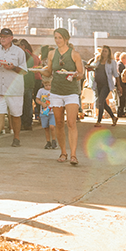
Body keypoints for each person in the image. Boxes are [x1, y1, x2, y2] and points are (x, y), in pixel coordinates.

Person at [43, 28, 85, 166]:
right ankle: (63, 152)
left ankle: (73, 154)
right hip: (56, 91)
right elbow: (49, 72)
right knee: (59, 123)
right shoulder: (51, 54)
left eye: (60, 37)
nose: (57, 40)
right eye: (55, 37)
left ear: (66, 38)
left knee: (71, 123)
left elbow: (81, 74)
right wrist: (41, 71)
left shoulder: (74, 54)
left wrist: (74, 74)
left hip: (71, 91)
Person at [0, 28, 27, 147]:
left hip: (14, 89)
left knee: (15, 114)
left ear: (11, 38)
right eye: (1, 36)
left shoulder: (19, 52)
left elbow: (24, 71)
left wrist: (13, 67)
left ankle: (16, 138)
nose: (2, 39)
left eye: (5, 37)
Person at [93, 45, 120, 127]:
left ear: (109, 53)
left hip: (106, 84)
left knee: (100, 101)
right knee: (103, 102)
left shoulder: (112, 62)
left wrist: (119, 85)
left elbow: (116, 74)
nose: (104, 53)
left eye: (105, 51)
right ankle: (113, 117)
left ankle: (99, 121)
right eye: (103, 51)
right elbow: (96, 70)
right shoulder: (98, 60)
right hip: (98, 84)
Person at [36, 79, 56, 149]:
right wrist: (41, 103)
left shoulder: (53, 90)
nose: (48, 87)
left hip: (52, 112)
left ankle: (54, 140)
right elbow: (37, 99)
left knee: (52, 126)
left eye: (49, 85)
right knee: (46, 127)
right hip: (44, 111)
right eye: (46, 85)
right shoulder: (41, 91)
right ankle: (48, 141)